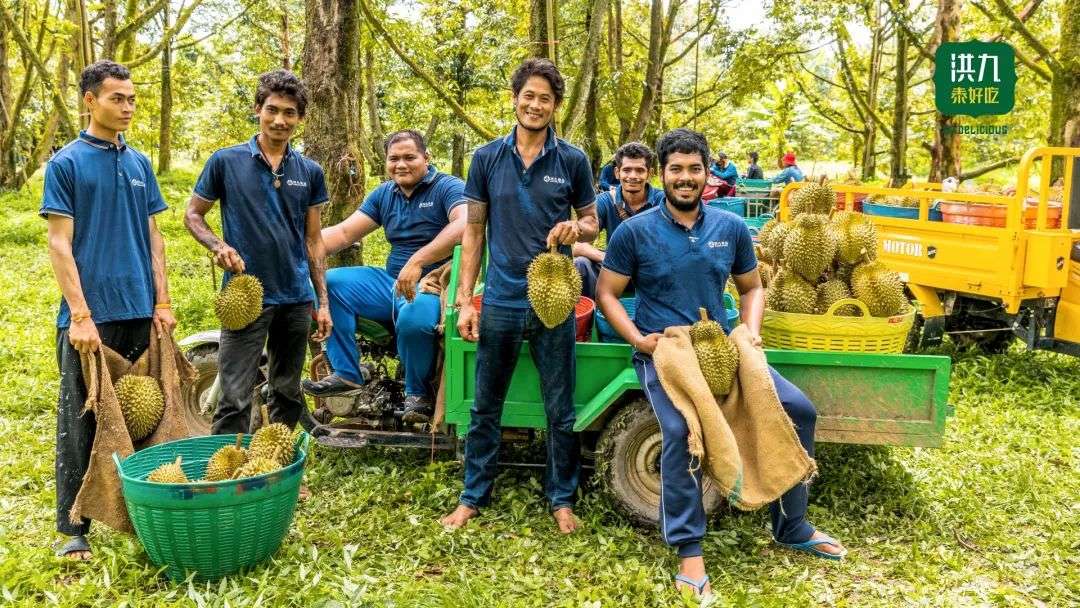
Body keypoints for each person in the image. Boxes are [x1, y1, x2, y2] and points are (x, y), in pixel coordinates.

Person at [595, 129, 846, 599]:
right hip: (666, 350)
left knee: (799, 409)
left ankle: (792, 526)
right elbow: (606, 292)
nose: (685, 178)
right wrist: (638, 339)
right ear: (662, 175)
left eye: (694, 169)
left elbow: (752, 287)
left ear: (707, 174)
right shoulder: (634, 232)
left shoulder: (729, 229)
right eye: (676, 169)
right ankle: (690, 555)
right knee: (678, 433)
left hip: (721, 345)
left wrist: (750, 331)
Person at [440, 58, 599, 534]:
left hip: (555, 301)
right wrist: (465, 299)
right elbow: (473, 231)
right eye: (528, 96)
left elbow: (592, 221)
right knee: (486, 403)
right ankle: (473, 496)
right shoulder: (487, 157)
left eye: (545, 98)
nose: (535, 105)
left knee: (560, 406)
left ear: (555, 106)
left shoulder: (572, 160)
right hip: (503, 299)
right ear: (515, 100)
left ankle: (561, 498)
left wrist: (578, 225)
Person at [42, 60, 176, 560]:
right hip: (89, 319)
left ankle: (142, 514)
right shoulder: (68, 164)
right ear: (89, 100)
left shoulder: (140, 164)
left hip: (140, 310)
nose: (127, 107)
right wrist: (79, 315)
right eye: (117, 98)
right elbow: (60, 243)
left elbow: (153, 237)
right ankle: (73, 527)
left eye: (133, 98)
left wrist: (162, 301)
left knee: (142, 418)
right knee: (81, 421)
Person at [185, 69, 332, 438]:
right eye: (272, 110)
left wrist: (323, 301)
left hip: (296, 296)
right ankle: (223, 481)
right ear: (257, 110)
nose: (280, 120)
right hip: (246, 294)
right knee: (234, 395)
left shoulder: (310, 172)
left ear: (300, 118)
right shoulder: (226, 161)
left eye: (289, 112)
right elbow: (193, 215)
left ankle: (276, 474)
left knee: (286, 391)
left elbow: (314, 241)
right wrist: (219, 246)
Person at [302, 130, 466, 423]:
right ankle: (347, 374)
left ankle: (417, 395)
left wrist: (419, 260)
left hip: (433, 284)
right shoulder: (384, 194)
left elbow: (465, 224)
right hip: (391, 282)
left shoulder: (447, 187)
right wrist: (295, 248)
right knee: (329, 283)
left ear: (426, 158)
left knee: (415, 318)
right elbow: (342, 233)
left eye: (409, 157)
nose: (401, 164)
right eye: (394, 159)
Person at [572, 142, 664, 298]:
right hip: (614, 268)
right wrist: (611, 259)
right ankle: (592, 317)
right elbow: (577, 246)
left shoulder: (662, 200)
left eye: (640, 170)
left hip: (653, 270)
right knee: (581, 264)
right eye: (627, 170)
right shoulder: (606, 200)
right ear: (617, 172)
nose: (633, 176)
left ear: (650, 173)